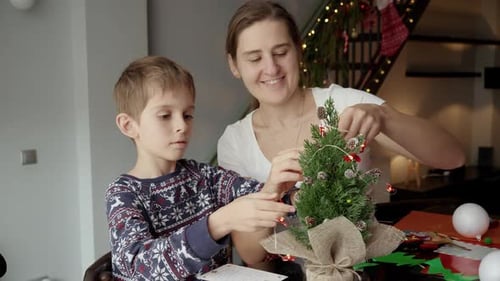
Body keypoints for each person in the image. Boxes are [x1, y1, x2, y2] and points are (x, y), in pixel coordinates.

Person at [217, 0, 466, 271]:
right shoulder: (234, 141)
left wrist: (385, 118)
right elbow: (251, 254)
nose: (271, 68)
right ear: (234, 65)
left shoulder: (344, 103)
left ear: (298, 51)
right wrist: (271, 192)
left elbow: (452, 158)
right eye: (254, 58)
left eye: (281, 52)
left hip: (358, 269)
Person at [106, 55, 302, 281]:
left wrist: (278, 188)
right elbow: (139, 267)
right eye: (165, 116)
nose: (181, 126)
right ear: (129, 126)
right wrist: (218, 223)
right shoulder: (123, 194)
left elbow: (257, 194)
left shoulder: (204, 176)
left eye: (187, 115)